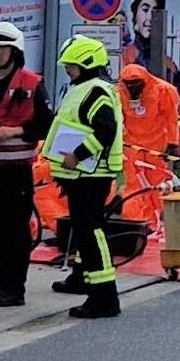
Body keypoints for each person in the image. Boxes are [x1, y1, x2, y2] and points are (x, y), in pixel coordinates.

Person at [0, 22, 54, 307]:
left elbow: (45, 125)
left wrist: (16, 131)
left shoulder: (31, 83)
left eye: (3, 47)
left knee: (15, 231)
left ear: (15, 50)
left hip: (16, 172)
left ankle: (14, 288)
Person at [48, 36, 125, 319]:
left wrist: (77, 155)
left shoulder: (95, 91)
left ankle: (104, 298)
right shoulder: (85, 88)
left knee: (92, 233)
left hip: (90, 174)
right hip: (83, 175)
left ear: (87, 64)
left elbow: (104, 131)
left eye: (72, 65)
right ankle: (83, 278)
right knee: (84, 230)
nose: (67, 69)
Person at [118, 63, 180, 230]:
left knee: (156, 183)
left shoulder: (163, 90)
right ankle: (135, 223)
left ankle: (157, 222)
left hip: (156, 146)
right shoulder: (118, 93)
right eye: (128, 84)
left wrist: (173, 142)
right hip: (131, 146)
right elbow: (118, 119)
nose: (132, 87)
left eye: (135, 83)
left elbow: (171, 118)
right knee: (133, 184)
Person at [120, 0, 179, 87]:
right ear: (134, 14)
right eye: (145, 10)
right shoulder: (123, 58)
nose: (150, 18)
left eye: (156, 11)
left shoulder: (170, 66)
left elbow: (176, 103)